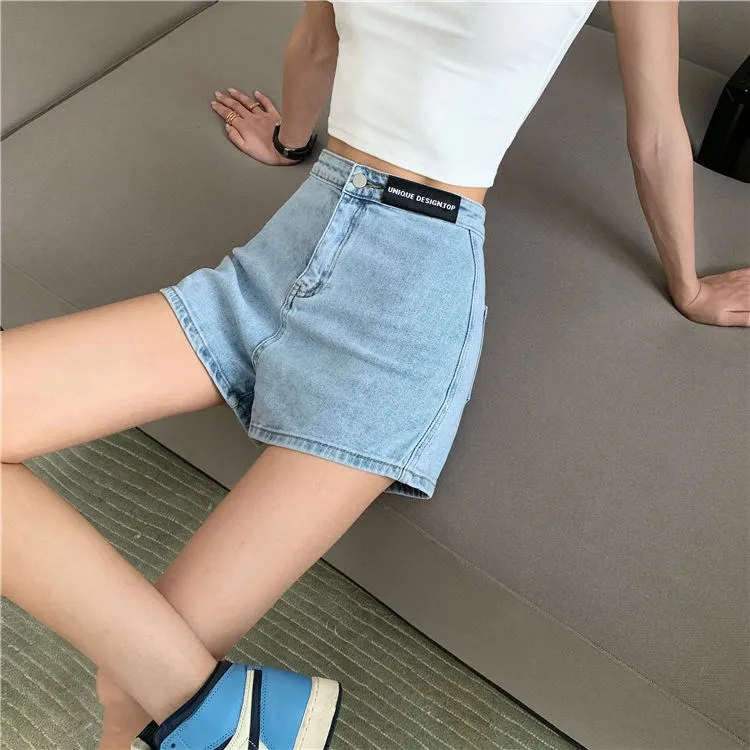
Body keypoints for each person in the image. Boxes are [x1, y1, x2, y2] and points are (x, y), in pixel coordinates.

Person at [2, 2, 748, 749]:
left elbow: (656, 131)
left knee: (131, 686)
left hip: (407, 305)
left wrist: (687, 287)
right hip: (288, 250)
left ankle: (228, 720)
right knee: (163, 684)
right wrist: (289, 142)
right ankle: (237, 722)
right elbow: (316, 40)